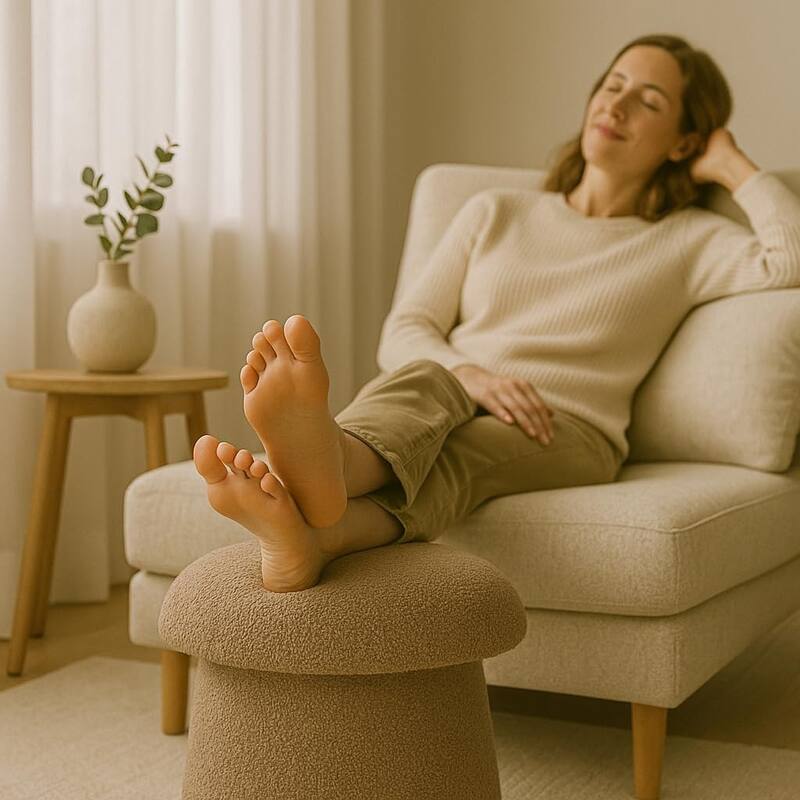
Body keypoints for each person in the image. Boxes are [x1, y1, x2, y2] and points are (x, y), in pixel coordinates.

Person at [192, 33, 800, 592]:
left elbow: (790, 257)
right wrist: (472, 376)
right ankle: (318, 524)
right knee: (430, 380)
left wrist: (730, 164)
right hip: (452, 389)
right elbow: (405, 328)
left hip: (566, 424)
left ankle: (329, 464)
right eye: (612, 86)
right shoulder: (495, 211)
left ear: (685, 141)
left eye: (648, 101)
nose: (616, 106)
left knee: (466, 453)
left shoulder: (691, 239)